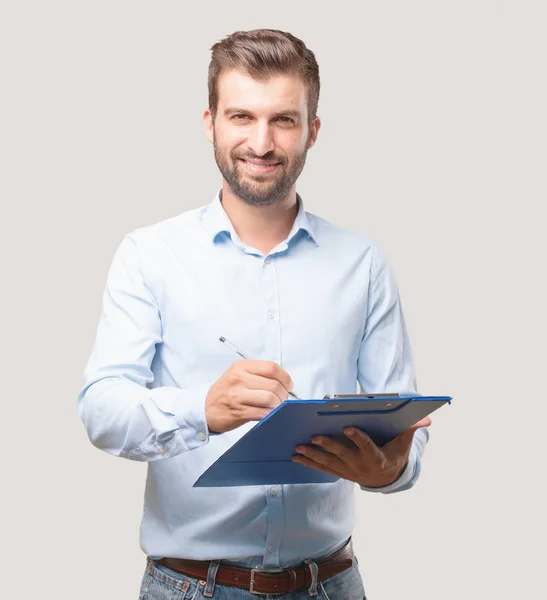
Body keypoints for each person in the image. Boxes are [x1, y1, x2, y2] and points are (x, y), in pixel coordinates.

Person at [78, 28, 431, 600]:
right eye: (241, 116)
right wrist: (202, 409)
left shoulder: (362, 263)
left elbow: (402, 428)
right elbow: (100, 410)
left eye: (284, 120)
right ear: (210, 122)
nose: (261, 143)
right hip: (189, 587)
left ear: (312, 131)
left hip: (332, 584)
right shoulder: (149, 254)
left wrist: (389, 469)